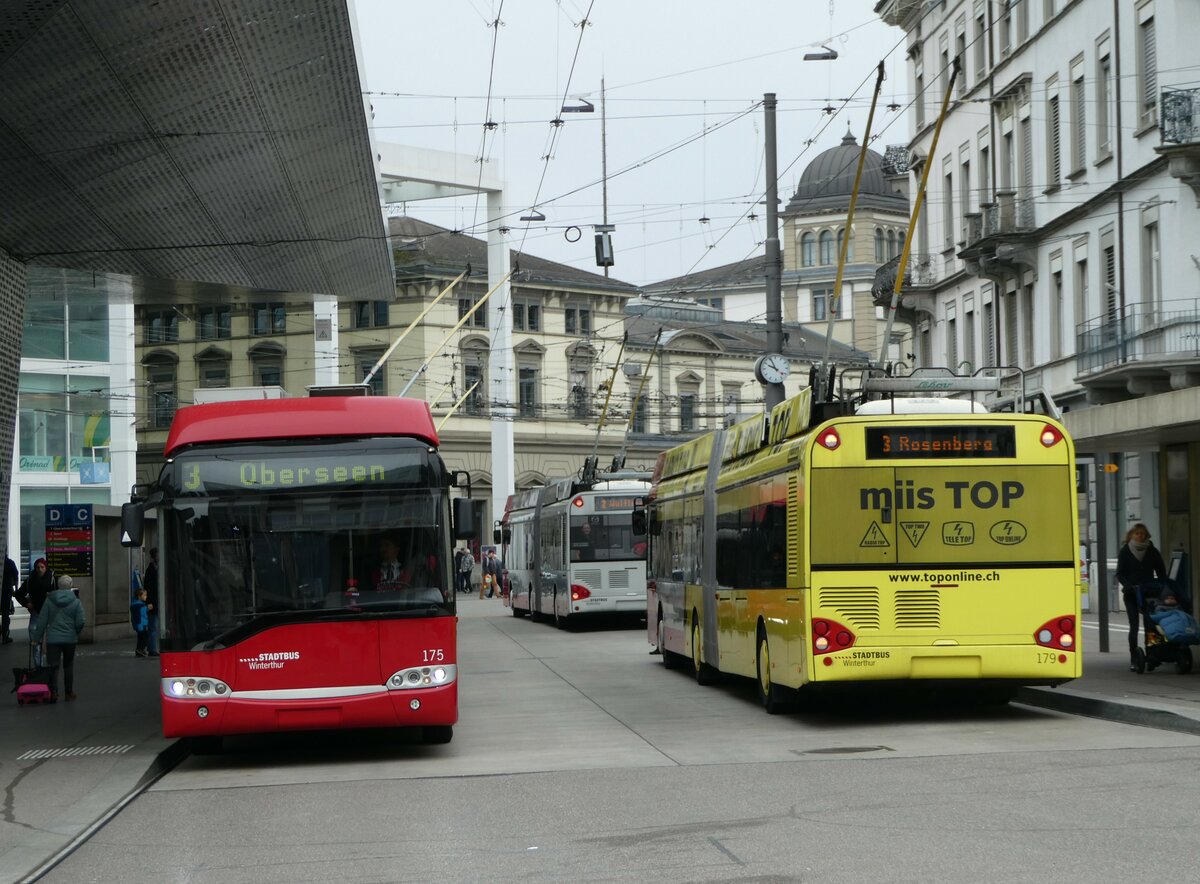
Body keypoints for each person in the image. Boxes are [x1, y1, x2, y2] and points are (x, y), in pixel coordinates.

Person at [1116, 522, 1168, 671]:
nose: (1140, 536)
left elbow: (1161, 571)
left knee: (1151, 625)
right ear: (1131, 535)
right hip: (1132, 593)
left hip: (1149, 592)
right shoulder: (1125, 551)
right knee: (1134, 626)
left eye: (1143, 534)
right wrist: (1128, 586)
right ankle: (1134, 658)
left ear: (1147, 536)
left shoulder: (1152, 551)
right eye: (1137, 534)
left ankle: (1152, 655)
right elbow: (1120, 573)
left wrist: (1160, 585)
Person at [31, 574, 85, 701]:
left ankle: (54, 692)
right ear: (71, 586)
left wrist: (36, 638)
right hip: (70, 640)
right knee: (68, 666)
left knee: (53, 666)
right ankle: (68, 693)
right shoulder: (76, 602)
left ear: (57, 586)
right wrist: (75, 631)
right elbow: (81, 621)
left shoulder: (49, 600)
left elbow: (42, 621)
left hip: (52, 640)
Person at [16, 558, 55, 666]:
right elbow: (18, 594)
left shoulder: (52, 579)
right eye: (38, 567)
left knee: (49, 644)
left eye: (42, 567)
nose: (40, 569)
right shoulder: (30, 580)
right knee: (35, 644)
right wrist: (26, 603)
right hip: (36, 615)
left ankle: (50, 667)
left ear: (46, 568)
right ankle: (39, 667)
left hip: (49, 615)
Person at [143, 548, 160, 657]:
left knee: (153, 626)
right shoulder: (151, 570)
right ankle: (152, 649)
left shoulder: (154, 569)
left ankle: (152, 647)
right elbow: (149, 588)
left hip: (154, 602)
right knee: (153, 626)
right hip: (152, 603)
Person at [2, 555, 17, 644]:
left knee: (5, 614)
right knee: (5, 614)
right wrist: (15, 590)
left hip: (6, 591)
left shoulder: (9, 563)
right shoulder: (10, 563)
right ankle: (5, 636)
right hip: (6, 592)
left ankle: (4, 635)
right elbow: (15, 576)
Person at [130, 587, 150, 657]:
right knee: (144, 637)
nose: (146, 597)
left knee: (141, 638)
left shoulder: (140, 605)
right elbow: (138, 616)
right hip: (141, 625)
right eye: (144, 595)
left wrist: (147, 608)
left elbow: (142, 613)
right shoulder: (137, 606)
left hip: (142, 624)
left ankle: (139, 650)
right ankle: (140, 649)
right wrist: (139, 626)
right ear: (139, 596)